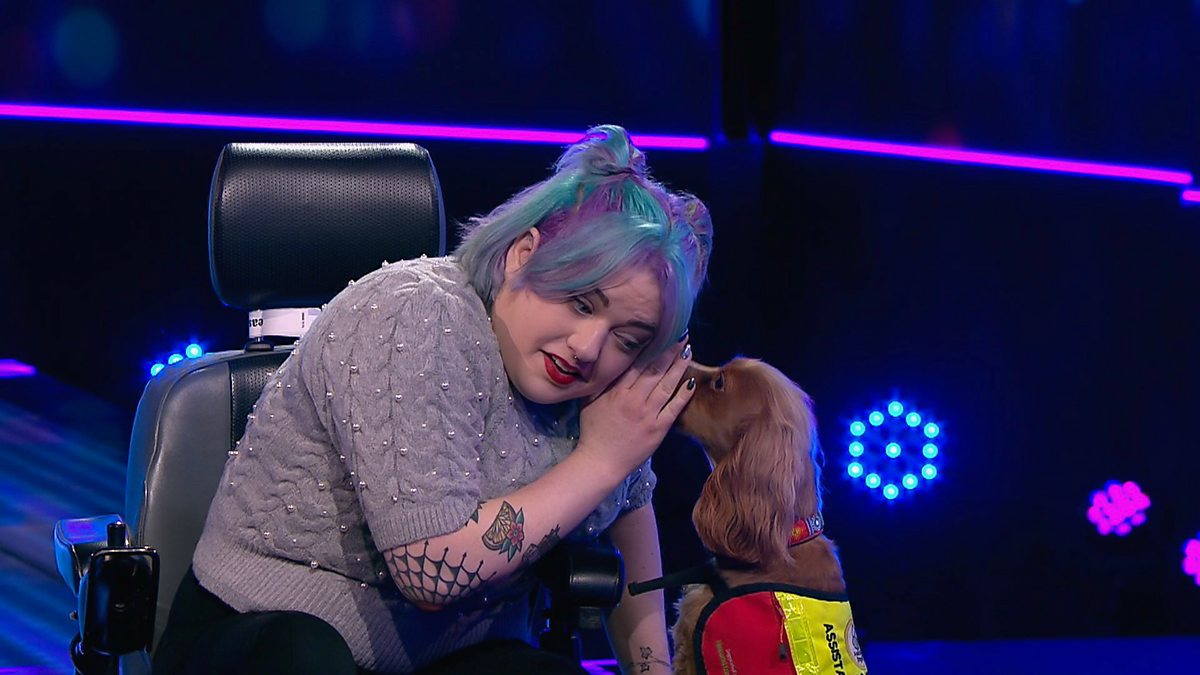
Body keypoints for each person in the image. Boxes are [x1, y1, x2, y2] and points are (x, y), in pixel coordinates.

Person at [153, 125, 714, 674]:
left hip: (455, 650)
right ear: (523, 255)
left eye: (627, 339)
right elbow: (430, 572)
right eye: (581, 303)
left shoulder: (600, 380)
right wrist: (600, 460)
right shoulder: (415, 313)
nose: (589, 348)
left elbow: (628, 523)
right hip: (266, 630)